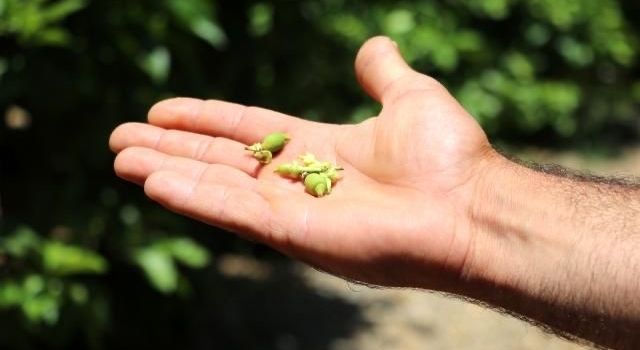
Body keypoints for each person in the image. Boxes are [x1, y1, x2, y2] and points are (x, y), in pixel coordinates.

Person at [109, 36, 640, 349]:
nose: (310, 173)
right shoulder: (295, 163)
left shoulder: (306, 167)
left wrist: (473, 201)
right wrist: (474, 207)